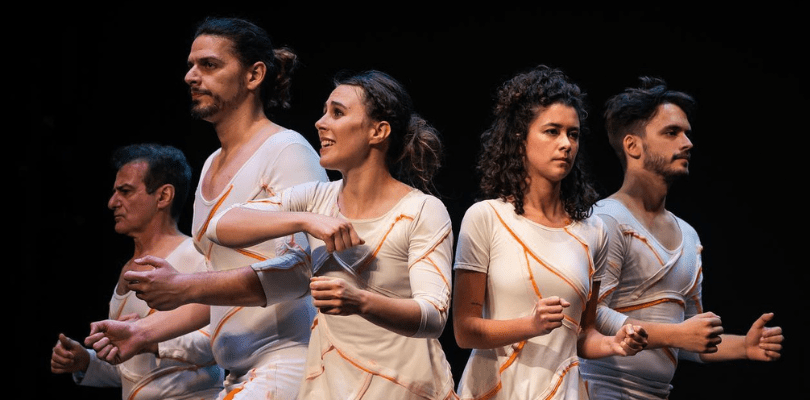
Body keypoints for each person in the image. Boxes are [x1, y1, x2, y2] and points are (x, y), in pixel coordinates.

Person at [84, 16, 328, 400]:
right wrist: (143, 332)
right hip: (239, 372)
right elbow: (217, 287)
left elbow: (305, 270)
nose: (191, 76)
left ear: (254, 75)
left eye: (209, 65)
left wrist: (185, 285)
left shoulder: (287, 150)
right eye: (190, 66)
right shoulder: (211, 165)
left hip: (289, 361)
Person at [205, 70, 457, 399]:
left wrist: (360, 301)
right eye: (324, 112)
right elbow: (220, 225)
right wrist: (306, 220)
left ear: (378, 131)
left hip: (403, 387)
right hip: (328, 385)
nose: (320, 123)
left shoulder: (422, 210)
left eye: (337, 113)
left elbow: (434, 316)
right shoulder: (315, 199)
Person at [578, 76, 784, 399]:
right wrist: (677, 334)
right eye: (671, 133)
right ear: (633, 146)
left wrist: (744, 345)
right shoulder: (607, 220)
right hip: (599, 390)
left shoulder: (689, 236)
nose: (687, 143)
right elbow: (592, 317)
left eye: (687, 133)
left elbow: (690, 336)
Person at [451, 65, 649, 400]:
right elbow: (464, 330)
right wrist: (529, 325)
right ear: (520, 137)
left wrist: (614, 344)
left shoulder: (593, 231)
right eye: (552, 131)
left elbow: (583, 334)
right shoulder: (486, 218)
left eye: (573, 134)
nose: (566, 144)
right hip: (496, 389)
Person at [50, 143, 225, 399]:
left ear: (163, 196)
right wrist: (86, 361)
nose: (112, 202)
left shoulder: (198, 257)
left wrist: (146, 337)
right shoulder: (126, 270)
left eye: (125, 191)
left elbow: (222, 341)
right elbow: (133, 371)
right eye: (114, 192)